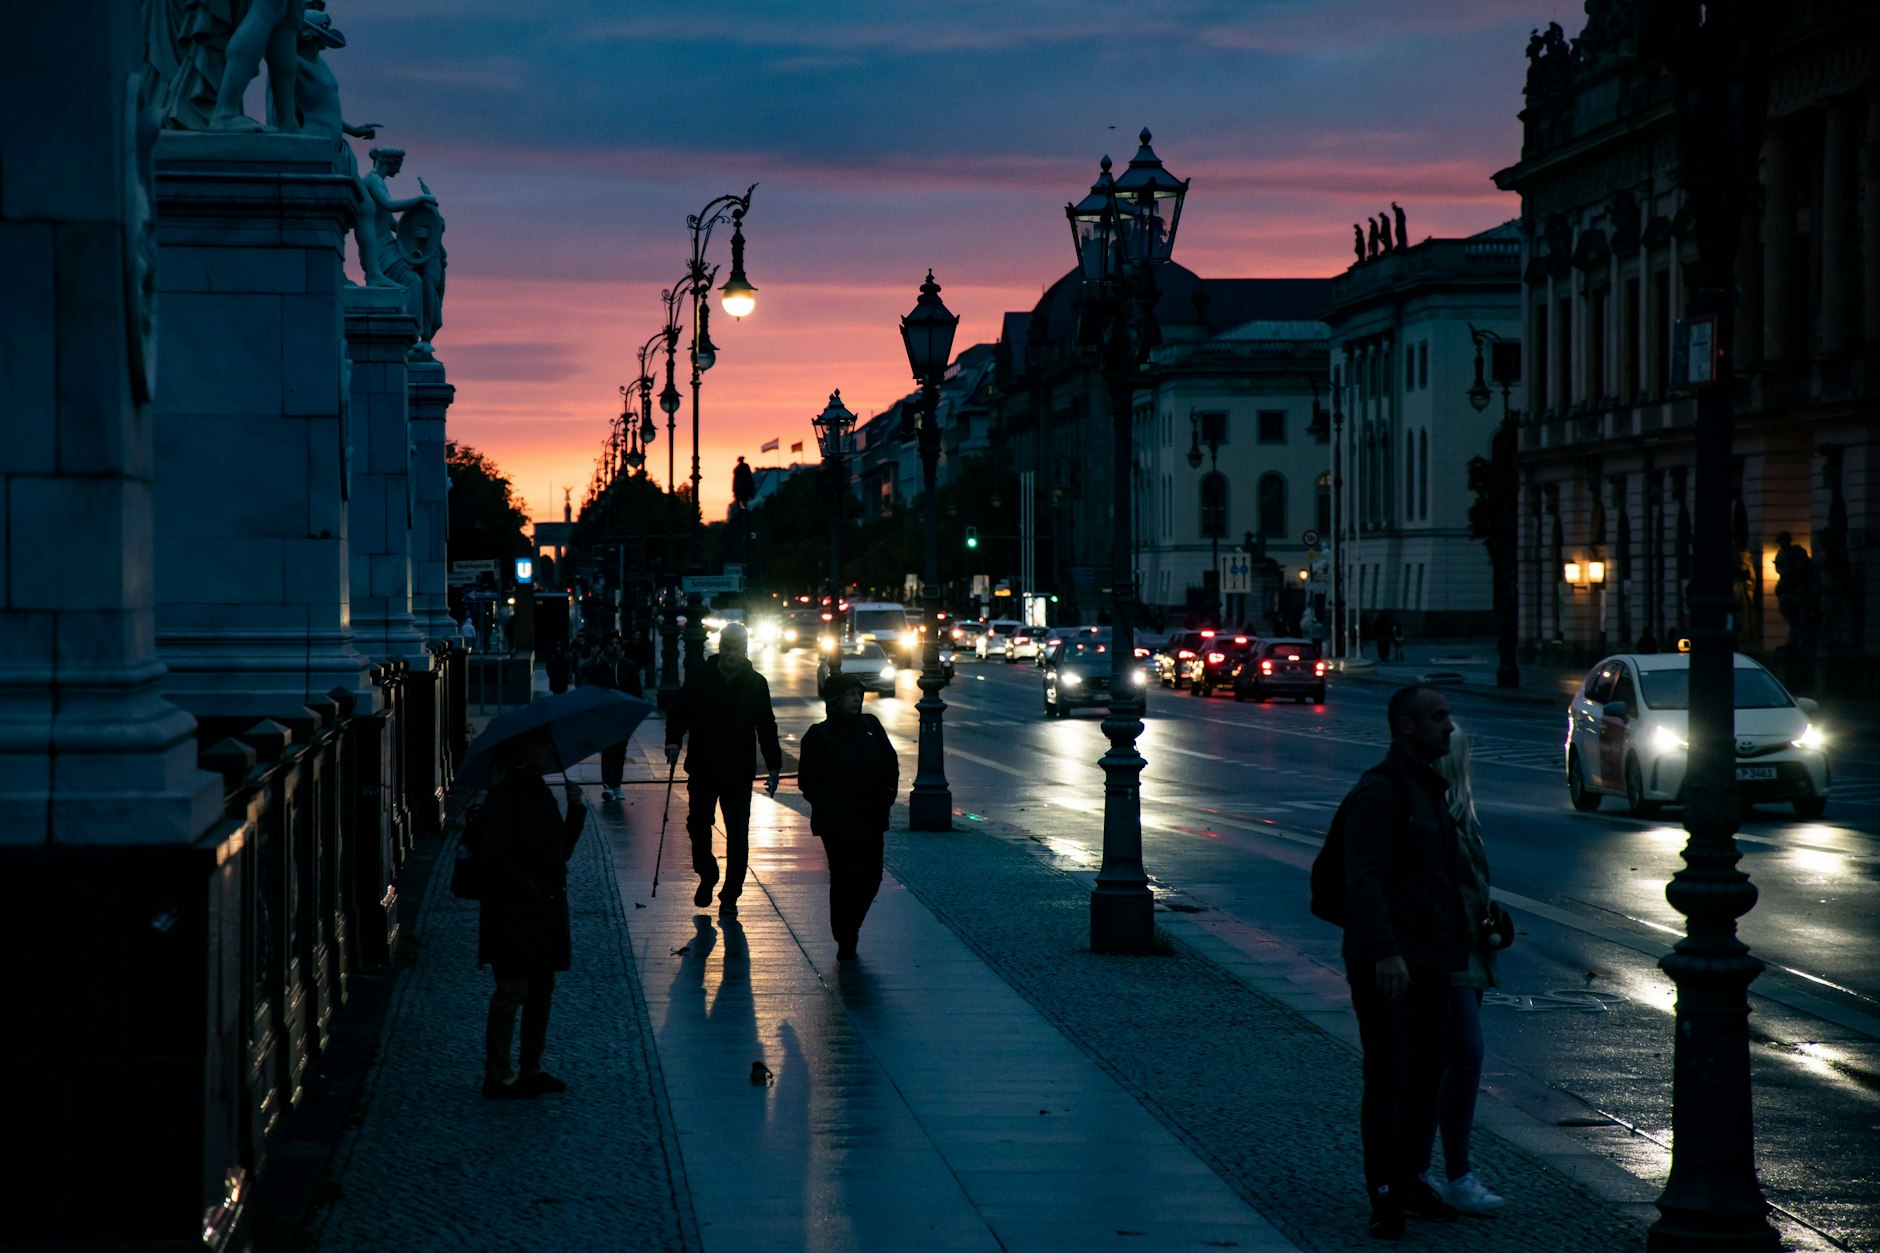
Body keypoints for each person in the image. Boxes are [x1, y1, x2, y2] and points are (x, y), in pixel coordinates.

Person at [1342, 685, 1468, 1238]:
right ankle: (1385, 1192)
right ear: (1406, 727)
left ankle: (1412, 1176)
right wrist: (1385, 951)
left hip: (1434, 957)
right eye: (1438, 718)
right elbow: (1362, 879)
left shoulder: (1431, 789)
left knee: (1426, 1077)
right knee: (1389, 1074)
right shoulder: (1383, 789)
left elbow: (1436, 878)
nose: (1449, 727)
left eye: (1447, 716)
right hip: (1392, 962)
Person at [470, 729, 588, 1099]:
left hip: (543, 910)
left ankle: (531, 1068)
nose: (549, 752)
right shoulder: (503, 798)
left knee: (541, 988)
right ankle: (498, 1073)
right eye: (542, 746)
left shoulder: (541, 793)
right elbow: (494, 857)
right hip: (513, 911)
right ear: (521, 755)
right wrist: (526, 886)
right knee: (512, 988)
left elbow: (560, 853)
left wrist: (577, 810)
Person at [1419, 726, 1508, 1215]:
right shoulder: (1437, 817)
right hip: (1448, 957)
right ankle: (1454, 1173)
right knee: (1463, 1057)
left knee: (1445, 1063)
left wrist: (1493, 919)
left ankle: (1427, 1170)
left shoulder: (1455, 818)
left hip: (1466, 955)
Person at [665, 623, 782, 915]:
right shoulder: (701, 678)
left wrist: (773, 766)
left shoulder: (756, 682)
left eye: (736, 648)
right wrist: (672, 741)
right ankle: (707, 873)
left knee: (738, 833)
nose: (731, 653)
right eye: (726, 647)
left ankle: (731, 895)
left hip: (738, 770)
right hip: (703, 766)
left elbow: (766, 725)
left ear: (745, 650)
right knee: (698, 823)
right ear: (720, 648)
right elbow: (679, 711)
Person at [797, 672, 899, 961]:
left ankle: (850, 924)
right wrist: (826, 805)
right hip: (837, 821)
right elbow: (808, 780)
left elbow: (890, 763)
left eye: (858, 694)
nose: (856, 700)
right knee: (842, 877)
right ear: (834, 700)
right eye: (850, 695)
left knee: (872, 876)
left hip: (871, 815)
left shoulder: (871, 726)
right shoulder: (818, 735)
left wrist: (886, 797)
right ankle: (844, 936)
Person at [583, 633, 643, 800]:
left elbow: (636, 691)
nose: (615, 646)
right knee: (608, 751)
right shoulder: (598, 668)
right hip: (606, 716)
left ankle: (617, 785)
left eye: (617, 643)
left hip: (624, 716)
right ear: (605, 647)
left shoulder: (628, 666)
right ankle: (609, 785)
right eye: (611, 644)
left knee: (619, 752)